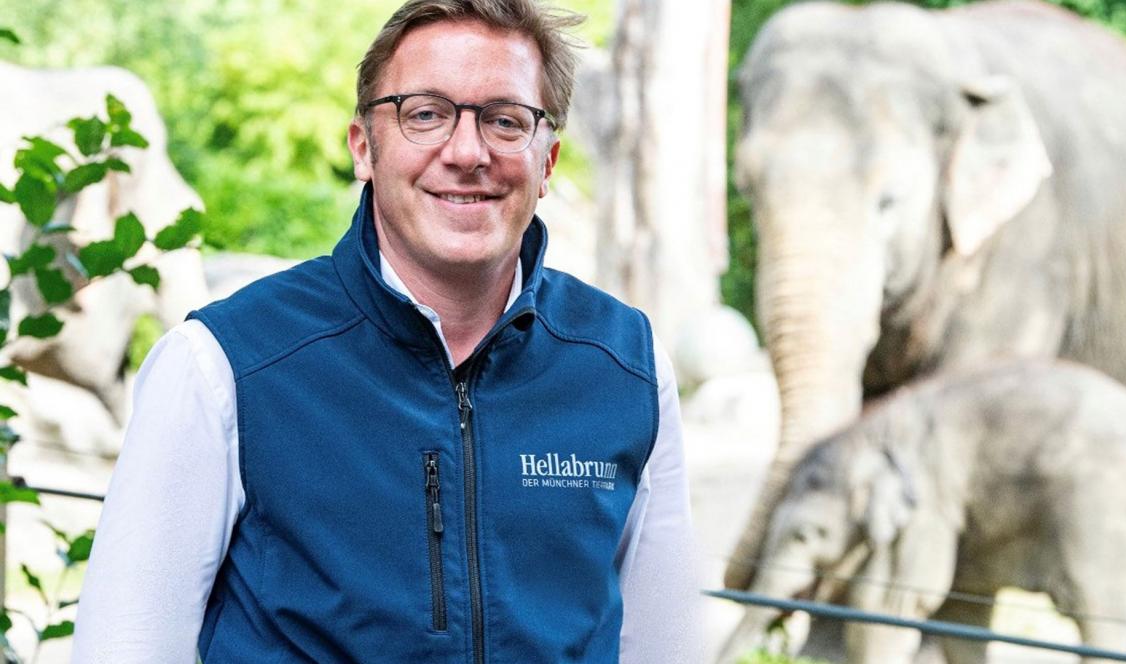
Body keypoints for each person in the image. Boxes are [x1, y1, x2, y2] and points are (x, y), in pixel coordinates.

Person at [72, 0, 701, 662]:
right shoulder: (223, 365)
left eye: (505, 120)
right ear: (363, 148)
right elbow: (125, 648)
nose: (467, 152)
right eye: (424, 114)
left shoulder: (626, 367)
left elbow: (665, 649)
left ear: (547, 162)